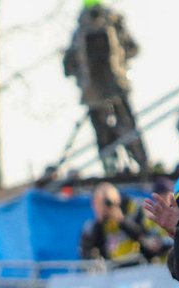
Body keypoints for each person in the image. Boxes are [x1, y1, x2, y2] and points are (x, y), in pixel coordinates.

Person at [62, 0, 148, 174]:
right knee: (127, 128)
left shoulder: (81, 30)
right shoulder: (113, 23)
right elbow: (133, 48)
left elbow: (69, 63)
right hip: (114, 87)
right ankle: (141, 164)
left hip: (95, 91)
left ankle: (115, 167)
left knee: (108, 133)